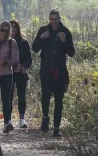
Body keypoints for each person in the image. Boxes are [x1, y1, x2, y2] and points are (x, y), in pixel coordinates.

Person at [32, 9, 75, 137]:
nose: (54, 22)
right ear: (49, 19)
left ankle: (57, 128)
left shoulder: (65, 32)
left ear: (60, 19)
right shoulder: (43, 30)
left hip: (60, 72)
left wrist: (64, 41)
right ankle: (45, 118)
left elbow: (71, 53)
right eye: (52, 19)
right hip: (46, 71)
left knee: (59, 100)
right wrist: (41, 38)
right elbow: (34, 48)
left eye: (56, 19)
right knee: (45, 97)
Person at [10, 19, 32, 129]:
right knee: (8, 96)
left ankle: (22, 119)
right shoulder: (5, 42)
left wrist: (24, 66)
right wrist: (14, 65)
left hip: (21, 73)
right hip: (8, 73)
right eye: (10, 27)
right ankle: (8, 120)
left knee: (22, 96)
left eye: (15, 27)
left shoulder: (24, 42)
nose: (13, 29)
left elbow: (29, 58)